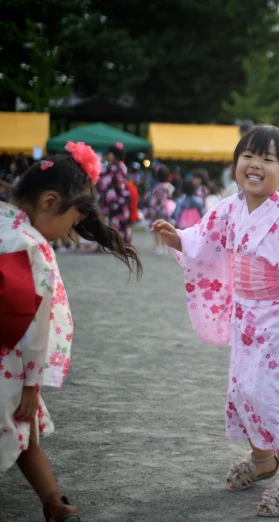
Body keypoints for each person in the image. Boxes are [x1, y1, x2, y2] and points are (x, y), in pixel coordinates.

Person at [152, 124, 279, 517]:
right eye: (248, 156)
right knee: (244, 390)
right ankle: (262, 460)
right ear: (236, 162)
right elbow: (204, 239)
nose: (254, 165)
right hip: (245, 317)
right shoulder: (230, 207)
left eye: (267, 159)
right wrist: (178, 239)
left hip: (278, 320)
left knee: (275, 393)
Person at [0, 142, 141, 521]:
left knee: (24, 434)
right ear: (49, 201)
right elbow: (35, 325)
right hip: (10, 364)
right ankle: (53, 503)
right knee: (22, 431)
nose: (70, 232)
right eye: (72, 222)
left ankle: (54, 501)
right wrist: (32, 384)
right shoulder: (32, 248)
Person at [96, 142, 133, 245]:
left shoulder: (113, 166)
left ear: (115, 155)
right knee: (123, 220)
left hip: (116, 197)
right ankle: (124, 241)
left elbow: (104, 182)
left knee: (115, 220)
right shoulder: (122, 165)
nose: (108, 156)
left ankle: (115, 242)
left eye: (110, 153)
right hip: (124, 196)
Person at [147, 165, 175, 255]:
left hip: (159, 210)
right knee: (165, 229)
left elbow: (154, 200)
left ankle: (159, 247)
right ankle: (164, 247)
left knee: (157, 229)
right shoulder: (170, 186)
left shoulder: (157, 187)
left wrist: (151, 210)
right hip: (167, 210)